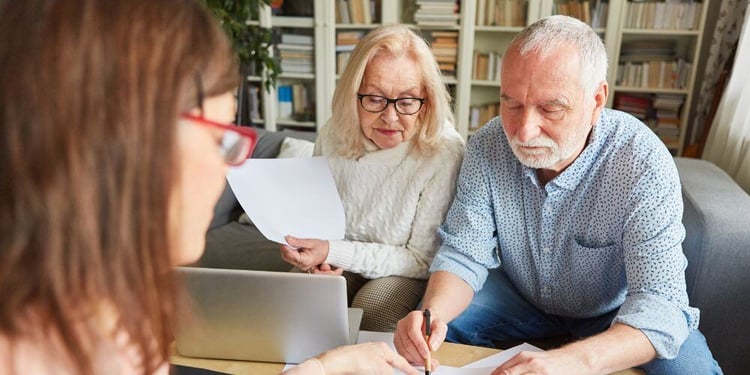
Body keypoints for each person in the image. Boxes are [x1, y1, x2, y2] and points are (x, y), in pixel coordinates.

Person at [0, 1, 418, 374]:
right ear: (125, 138)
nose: (226, 168)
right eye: (219, 138)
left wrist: (326, 367)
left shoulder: (100, 312)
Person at [393, 15, 723, 375]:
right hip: (517, 298)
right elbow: (464, 252)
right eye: (512, 104)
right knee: (427, 339)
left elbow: (661, 302)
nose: (523, 130)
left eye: (551, 108)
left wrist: (574, 361)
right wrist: (432, 315)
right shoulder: (488, 144)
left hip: (617, 312)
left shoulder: (641, 162)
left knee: (693, 370)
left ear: (597, 99)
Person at [279, 24, 465, 332]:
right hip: (340, 255)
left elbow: (420, 259)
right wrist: (318, 258)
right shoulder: (334, 133)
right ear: (353, 95)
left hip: (403, 270)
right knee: (292, 297)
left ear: (427, 101)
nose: (390, 118)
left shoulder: (443, 151)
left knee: (373, 312)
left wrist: (334, 251)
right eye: (375, 99)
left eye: (407, 101)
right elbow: (318, 217)